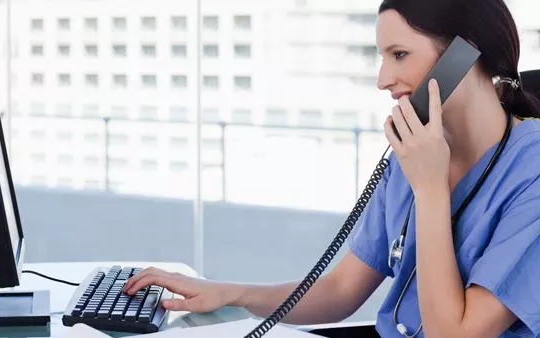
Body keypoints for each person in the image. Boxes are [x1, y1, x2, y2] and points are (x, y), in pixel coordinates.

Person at [124, 0, 540, 336]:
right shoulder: (414, 154)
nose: (383, 79)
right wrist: (229, 293)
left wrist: (431, 188)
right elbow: (342, 290)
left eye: (399, 55)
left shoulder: (530, 172)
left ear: (463, 55)